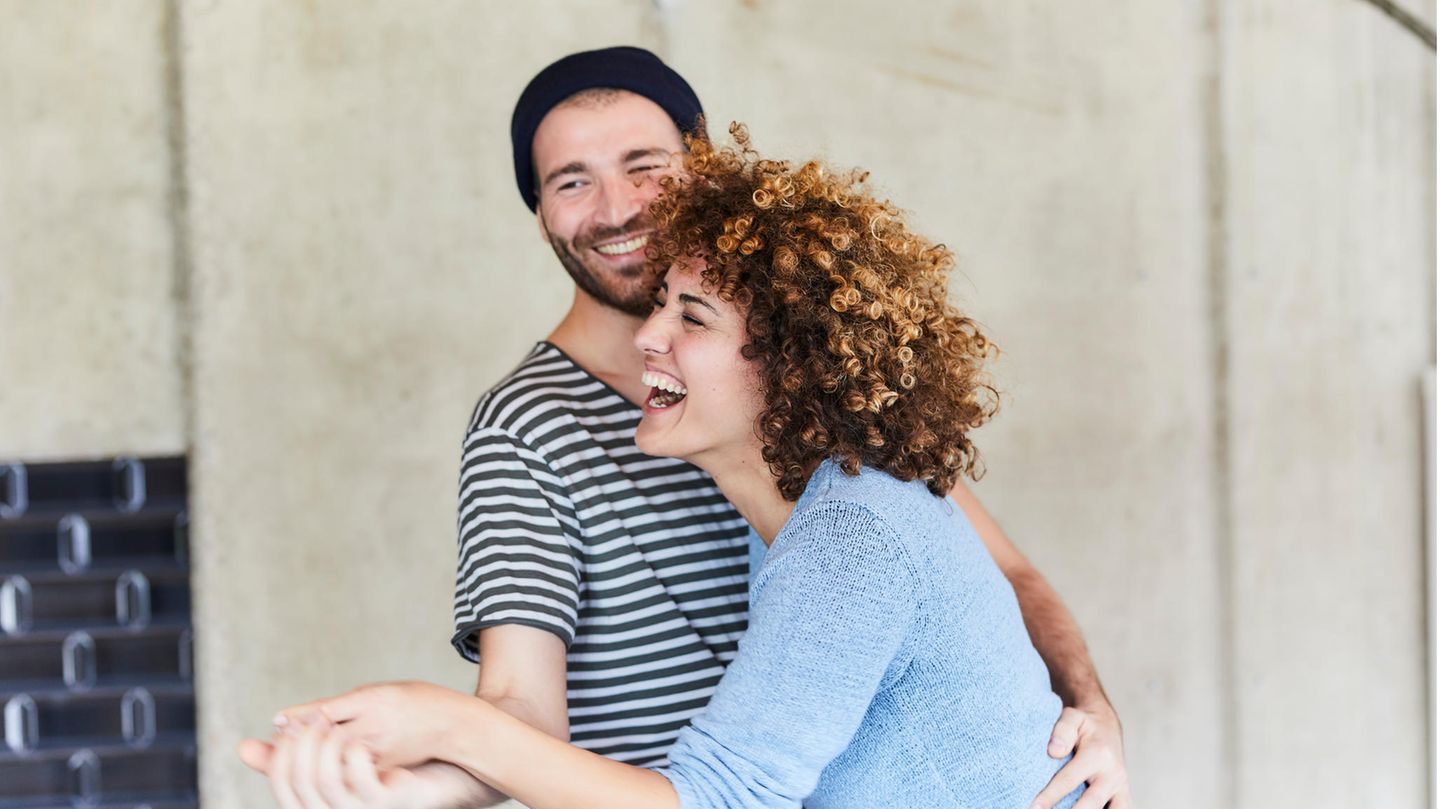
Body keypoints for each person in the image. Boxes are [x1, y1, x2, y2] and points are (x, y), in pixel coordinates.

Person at [239, 46, 1129, 808]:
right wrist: (409, 778)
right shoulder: (529, 427)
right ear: (541, 211)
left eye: (644, 165)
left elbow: (997, 573)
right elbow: (519, 706)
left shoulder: (839, 472)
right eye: (571, 181)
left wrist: (1090, 713)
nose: (618, 207)